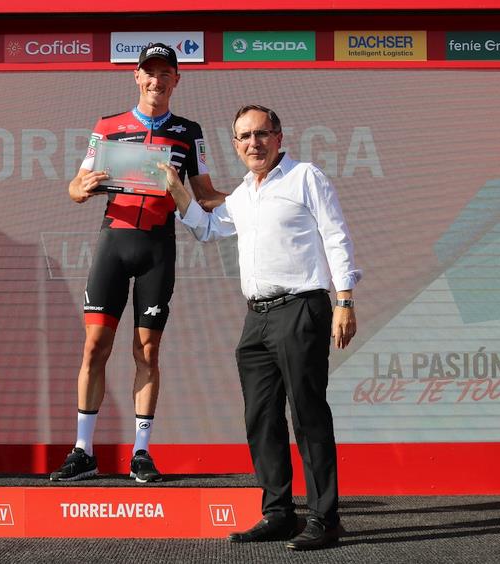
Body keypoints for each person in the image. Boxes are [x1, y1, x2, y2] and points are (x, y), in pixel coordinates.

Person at [160, 105, 362, 550]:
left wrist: (344, 299)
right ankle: (278, 514)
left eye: (261, 134)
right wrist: (179, 195)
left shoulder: (305, 177)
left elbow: (336, 236)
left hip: (302, 307)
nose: (254, 143)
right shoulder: (243, 194)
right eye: (244, 137)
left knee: (307, 415)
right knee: (261, 417)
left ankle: (325, 518)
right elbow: (210, 230)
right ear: (235, 145)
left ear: (278, 136)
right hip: (257, 318)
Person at [50, 43, 225, 483]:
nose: (157, 80)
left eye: (166, 73)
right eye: (150, 72)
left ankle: (141, 452)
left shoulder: (189, 131)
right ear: (137, 76)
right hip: (115, 242)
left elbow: (204, 194)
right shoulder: (108, 127)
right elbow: (74, 188)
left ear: (176, 81)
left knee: (147, 351)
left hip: (157, 249)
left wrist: (261, 193)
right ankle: (83, 450)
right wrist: (82, 186)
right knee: (95, 347)